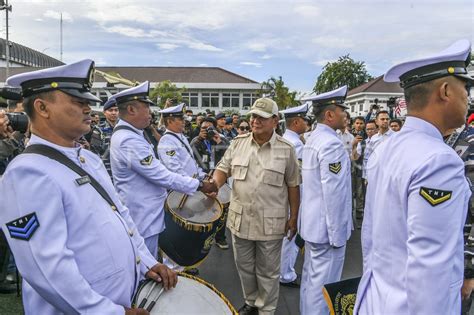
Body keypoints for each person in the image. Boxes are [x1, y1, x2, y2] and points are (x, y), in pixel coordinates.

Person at [0, 59, 177, 314]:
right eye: (78, 102)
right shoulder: (27, 173)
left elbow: (122, 216)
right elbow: (47, 268)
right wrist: (108, 312)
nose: (87, 109)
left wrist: (146, 262)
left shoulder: (88, 159)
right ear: (42, 107)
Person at [354, 39, 473, 314]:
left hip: (378, 298)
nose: (468, 97)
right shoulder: (439, 161)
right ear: (445, 91)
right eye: (464, 88)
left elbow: (371, 238)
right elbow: (431, 270)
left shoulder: (387, 148)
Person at [108, 81, 218, 259]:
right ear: (131, 110)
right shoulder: (128, 140)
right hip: (143, 216)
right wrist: (199, 185)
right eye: (146, 107)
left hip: (149, 212)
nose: (150, 113)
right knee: (147, 265)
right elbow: (161, 175)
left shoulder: (133, 135)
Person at [213, 98, 300, 315]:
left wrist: (293, 218)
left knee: (268, 272)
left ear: (275, 120)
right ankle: (251, 302)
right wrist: (214, 184)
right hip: (240, 218)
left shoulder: (286, 149)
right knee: (244, 267)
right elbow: (223, 169)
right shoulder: (238, 143)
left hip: (271, 221)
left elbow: (293, 186)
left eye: (261, 117)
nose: (255, 121)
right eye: (253, 116)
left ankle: (266, 310)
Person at [299, 86, 353, 315]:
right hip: (327, 230)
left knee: (311, 280)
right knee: (323, 287)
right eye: (342, 110)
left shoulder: (314, 138)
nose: (346, 115)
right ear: (330, 115)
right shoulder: (331, 144)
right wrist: (338, 235)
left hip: (314, 225)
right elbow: (334, 194)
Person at [278, 103, 308, 289]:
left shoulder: (284, 140)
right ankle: (285, 273)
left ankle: (281, 270)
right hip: (293, 196)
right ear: (296, 122)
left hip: (282, 195)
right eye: (305, 120)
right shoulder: (296, 144)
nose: (307, 123)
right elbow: (300, 176)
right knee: (290, 236)